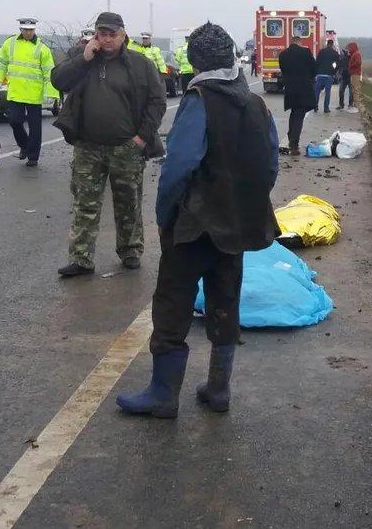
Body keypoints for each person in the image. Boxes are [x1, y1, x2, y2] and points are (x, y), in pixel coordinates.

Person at [115, 22, 280, 419]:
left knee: (173, 304)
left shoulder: (199, 99)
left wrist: (164, 215)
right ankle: (219, 390)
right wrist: (245, 204)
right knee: (225, 300)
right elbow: (270, 164)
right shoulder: (256, 105)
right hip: (236, 226)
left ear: (195, 62)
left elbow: (179, 166)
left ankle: (163, 394)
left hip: (194, 226)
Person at [50, 12, 167, 276]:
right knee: (85, 203)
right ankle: (81, 258)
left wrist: (142, 137)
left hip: (126, 146)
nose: (107, 39)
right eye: (102, 34)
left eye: (112, 34)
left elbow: (157, 101)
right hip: (88, 146)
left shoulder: (140, 64)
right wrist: (84, 58)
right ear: (95, 35)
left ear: (123, 35)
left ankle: (130, 249)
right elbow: (58, 80)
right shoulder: (82, 59)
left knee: (128, 202)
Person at [0, 18, 59, 167]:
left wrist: (51, 93)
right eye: (25, 30)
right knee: (15, 121)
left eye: (31, 30)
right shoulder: (10, 43)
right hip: (16, 92)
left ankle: (33, 157)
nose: (28, 32)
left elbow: (49, 72)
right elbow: (1, 63)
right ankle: (24, 145)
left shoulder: (42, 48)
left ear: (34, 30)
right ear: (20, 29)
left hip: (34, 94)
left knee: (35, 128)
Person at [277, 34, 316, 155]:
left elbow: (283, 71)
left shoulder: (283, 55)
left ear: (291, 43)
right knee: (299, 115)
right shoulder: (306, 52)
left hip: (290, 89)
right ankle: (294, 144)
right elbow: (314, 69)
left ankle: (291, 136)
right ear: (300, 43)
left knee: (294, 113)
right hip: (303, 89)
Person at [314, 39, 340, 114]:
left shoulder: (321, 51)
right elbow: (337, 64)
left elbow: (317, 62)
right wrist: (333, 71)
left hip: (320, 74)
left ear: (327, 44)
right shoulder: (335, 53)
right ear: (332, 44)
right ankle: (326, 108)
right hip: (329, 75)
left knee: (317, 91)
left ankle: (315, 107)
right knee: (327, 92)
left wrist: (317, 72)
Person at [345, 41, 364, 114]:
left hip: (356, 74)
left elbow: (358, 62)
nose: (349, 49)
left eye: (349, 48)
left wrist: (351, 66)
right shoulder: (355, 54)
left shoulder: (356, 54)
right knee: (354, 89)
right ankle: (355, 105)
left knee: (355, 89)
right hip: (354, 73)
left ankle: (356, 106)